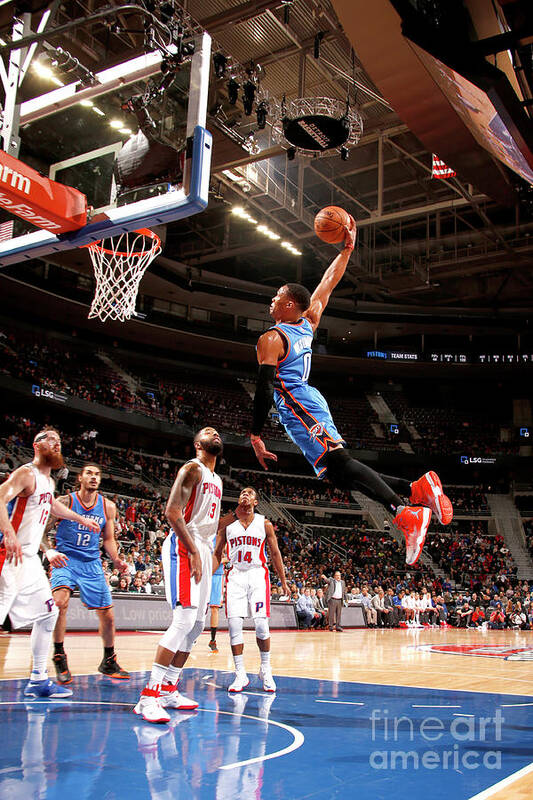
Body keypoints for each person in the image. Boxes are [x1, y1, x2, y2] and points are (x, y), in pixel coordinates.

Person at [248, 218, 453, 565]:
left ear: (290, 306)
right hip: (308, 403)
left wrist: (255, 435)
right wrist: (346, 249)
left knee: (340, 463)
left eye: (278, 296)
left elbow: (266, 384)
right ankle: (415, 490)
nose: (272, 299)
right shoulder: (308, 321)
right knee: (339, 476)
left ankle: (405, 513)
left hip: (298, 404)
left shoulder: (272, 338)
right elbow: (328, 283)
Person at [134, 427, 234, 723]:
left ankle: (168, 689)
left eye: (217, 433)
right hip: (183, 544)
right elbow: (172, 511)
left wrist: (235, 517)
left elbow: (209, 524)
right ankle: (147, 697)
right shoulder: (193, 468)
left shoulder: (217, 479)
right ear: (197, 444)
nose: (214, 433)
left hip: (200, 546)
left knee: (197, 626)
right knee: (184, 619)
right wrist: (192, 550)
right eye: (208, 432)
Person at [0, 427, 100, 698]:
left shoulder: (48, 482)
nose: (57, 444)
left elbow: (53, 507)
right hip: (7, 556)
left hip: (29, 559)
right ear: (36, 445)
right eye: (51, 439)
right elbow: (0, 495)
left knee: (48, 613)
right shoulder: (25, 473)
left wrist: (80, 519)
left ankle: (38, 679)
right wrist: (8, 532)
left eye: (59, 440)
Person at [44, 462, 130, 684]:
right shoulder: (65, 502)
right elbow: (41, 531)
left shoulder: (108, 506)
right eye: (89, 474)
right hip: (66, 559)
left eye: (97, 474)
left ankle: (109, 660)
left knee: (108, 616)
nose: (94, 477)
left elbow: (108, 539)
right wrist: (49, 550)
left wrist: (117, 559)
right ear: (80, 478)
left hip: (91, 562)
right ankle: (59, 655)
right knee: (59, 602)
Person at [214, 486, 289, 693]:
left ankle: (266, 669)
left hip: (257, 574)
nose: (245, 494)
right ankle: (240, 674)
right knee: (234, 626)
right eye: (242, 493)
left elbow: (275, 553)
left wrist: (283, 582)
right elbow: (217, 554)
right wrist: (207, 577)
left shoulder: (264, 523)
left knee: (261, 625)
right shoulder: (227, 525)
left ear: (256, 502)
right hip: (236, 575)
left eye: (250, 493)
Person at [207, 555, 227, 654]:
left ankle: (213, 640)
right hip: (204, 574)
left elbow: (228, 557)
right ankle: (191, 636)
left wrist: (220, 560)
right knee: (199, 608)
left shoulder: (224, 541)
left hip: (217, 576)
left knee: (215, 608)